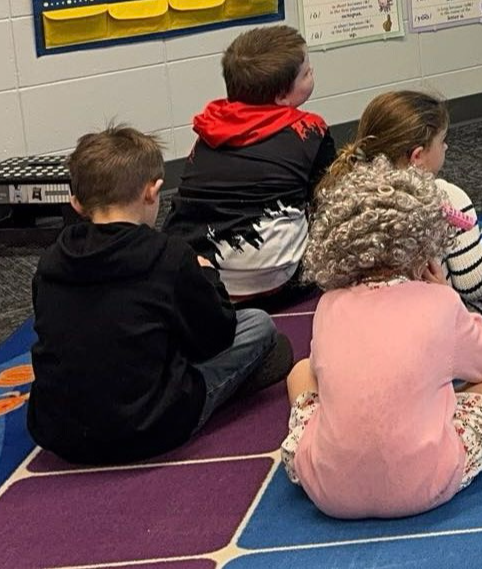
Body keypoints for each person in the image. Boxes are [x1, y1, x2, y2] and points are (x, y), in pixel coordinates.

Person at [28, 126, 291, 465]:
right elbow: (217, 336)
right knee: (259, 325)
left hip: (59, 433)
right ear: (152, 192)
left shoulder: (51, 261)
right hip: (151, 428)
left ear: (76, 203)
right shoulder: (169, 256)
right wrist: (207, 275)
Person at [279, 163, 482, 520]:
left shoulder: (329, 304)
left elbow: (320, 373)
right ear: (424, 243)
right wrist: (447, 296)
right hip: (428, 482)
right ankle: (474, 432)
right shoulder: (439, 302)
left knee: (300, 371)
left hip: (329, 492)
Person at [317, 90, 482, 327]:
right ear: (417, 155)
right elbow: (474, 281)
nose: (445, 147)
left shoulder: (343, 198)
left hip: (362, 324)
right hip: (423, 327)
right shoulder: (446, 197)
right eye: (441, 140)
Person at [166, 25, 336, 301]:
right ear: (282, 96)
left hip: (196, 276)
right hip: (274, 280)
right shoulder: (311, 129)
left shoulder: (209, 130)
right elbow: (328, 199)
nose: (312, 73)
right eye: (306, 73)